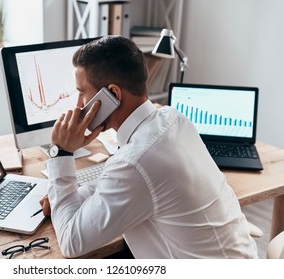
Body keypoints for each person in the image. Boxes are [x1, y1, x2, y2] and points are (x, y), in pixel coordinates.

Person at [40, 35, 258, 259]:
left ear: (113, 95)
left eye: (82, 93)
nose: (78, 105)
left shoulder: (135, 162)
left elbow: (70, 242)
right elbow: (120, 181)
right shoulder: (172, 118)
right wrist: (67, 196)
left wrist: (61, 152)